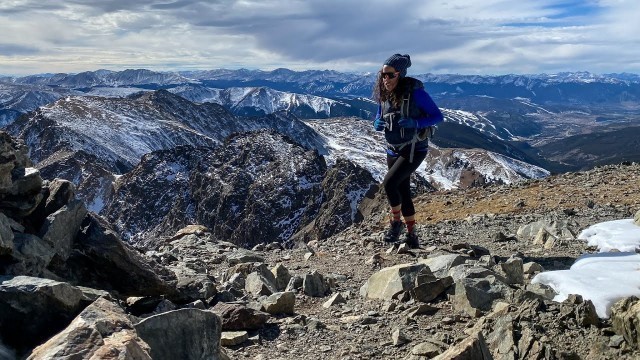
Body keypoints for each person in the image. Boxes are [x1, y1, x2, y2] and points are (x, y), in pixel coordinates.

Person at [372, 53, 444, 247]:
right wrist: (376, 123)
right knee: (402, 190)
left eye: (390, 75)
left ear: (400, 74)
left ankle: (396, 224)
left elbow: (437, 116)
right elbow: (380, 114)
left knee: (389, 183)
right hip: (392, 149)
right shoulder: (385, 94)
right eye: (382, 75)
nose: (385, 79)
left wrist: (416, 122)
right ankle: (412, 235)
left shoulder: (416, 94)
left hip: (414, 148)